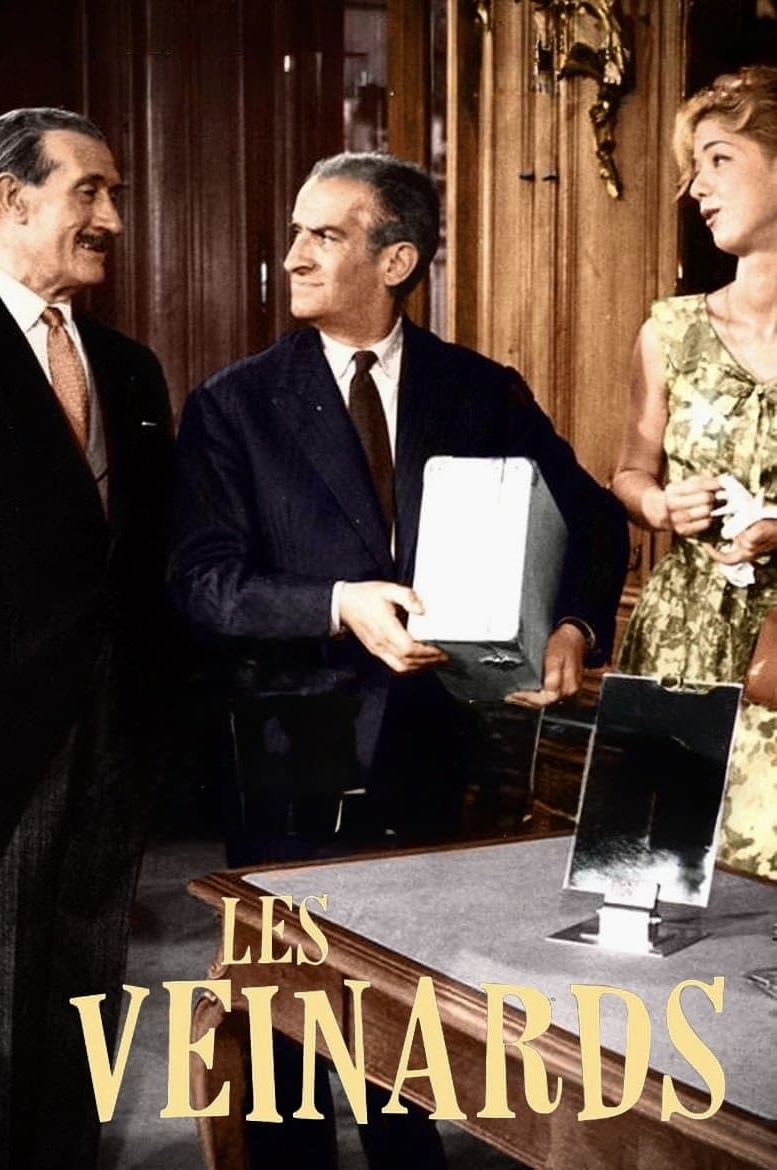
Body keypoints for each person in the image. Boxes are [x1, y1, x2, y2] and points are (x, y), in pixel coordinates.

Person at [169, 151, 628, 1167]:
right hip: (287, 761)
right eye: (297, 231)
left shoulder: (480, 390)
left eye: (324, 235)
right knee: (288, 1058)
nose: (293, 254)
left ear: (397, 260)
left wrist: (573, 628)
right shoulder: (233, 404)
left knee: (408, 1055)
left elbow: (595, 524)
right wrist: (340, 605)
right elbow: (202, 585)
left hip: (435, 752)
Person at [0, 108, 174, 1167]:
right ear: (9, 200)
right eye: (88, 192)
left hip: (112, 740)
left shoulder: (130, 368)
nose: (110, 216)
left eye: (115, 195)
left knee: (82, 993)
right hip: (7, 739)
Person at [613, 65, 777, 879]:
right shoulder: (671, 332)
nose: (695, 188)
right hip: (682, 643)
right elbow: (629, 471)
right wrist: (660, 506)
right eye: (692, 167)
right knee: (653, 879)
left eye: (719, 160)